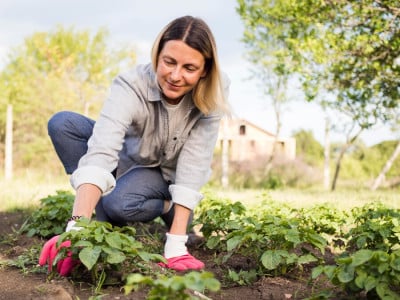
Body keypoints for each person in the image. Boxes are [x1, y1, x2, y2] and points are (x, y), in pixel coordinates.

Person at [38, 15, 230, 275]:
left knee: (119, 204)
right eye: (169, 62)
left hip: (163, 174)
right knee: (63, 124)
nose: (175, 75)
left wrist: (175, 244)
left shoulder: (213, 94)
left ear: (205, 70)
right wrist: (77, 227)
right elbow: (103, 148)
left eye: (189, 68)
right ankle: (95, 217)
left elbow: (194, 164)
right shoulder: (131, 83)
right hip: (128, 158)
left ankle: (166, 207)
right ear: (157, 56)